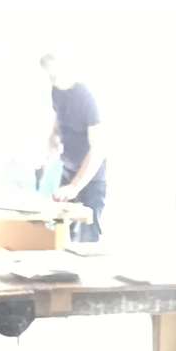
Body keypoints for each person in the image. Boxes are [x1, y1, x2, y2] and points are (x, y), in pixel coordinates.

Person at [41, 52, 106, 242]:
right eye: (48, 75)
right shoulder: (57, 91)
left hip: (90, 179)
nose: (51, 79)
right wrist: (52, 140)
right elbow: (58, 121)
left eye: (53, 74)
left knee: (88, 239)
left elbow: (98, 149)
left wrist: (74, 186)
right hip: (68, 171)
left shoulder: (87, 98)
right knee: (60, 233)